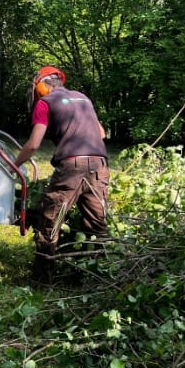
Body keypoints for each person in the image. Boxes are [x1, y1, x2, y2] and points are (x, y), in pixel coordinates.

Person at [14, 66, 109, 282]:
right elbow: (102, 134)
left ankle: (42, 280)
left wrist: (15, 164)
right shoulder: (83, 99)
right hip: (99, 165)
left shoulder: (45, 103)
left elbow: (33, 144)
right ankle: (96, 277)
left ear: (41, 86)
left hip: (71, 168)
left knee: (51, 221)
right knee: (97, 225)